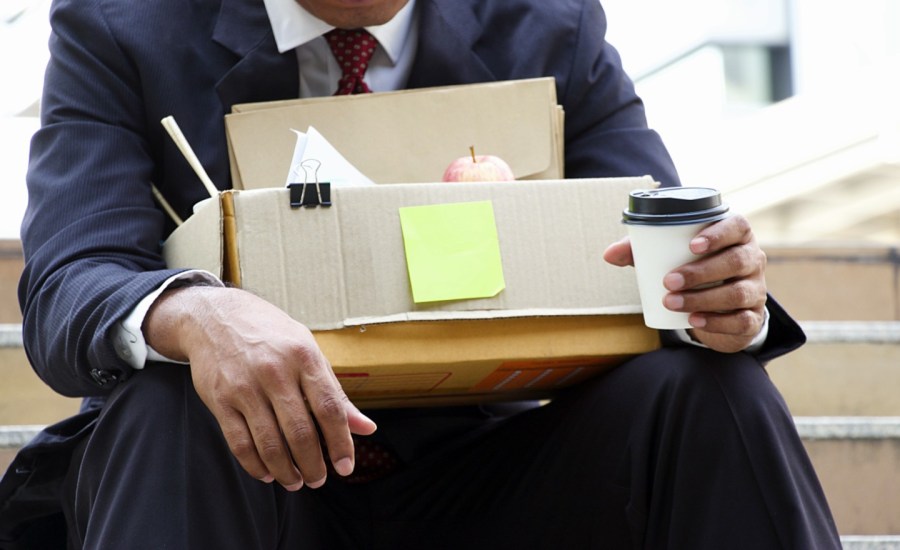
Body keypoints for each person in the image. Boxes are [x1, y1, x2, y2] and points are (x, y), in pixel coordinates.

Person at [0, 0, 842, 548]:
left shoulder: (549, 25)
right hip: (239, 478)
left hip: (490, 466)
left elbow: (658, 234)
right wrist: (198, 315)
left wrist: (720, 291)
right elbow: (72, 275)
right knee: (168, 392)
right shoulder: (121, 25)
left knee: (709, 388)